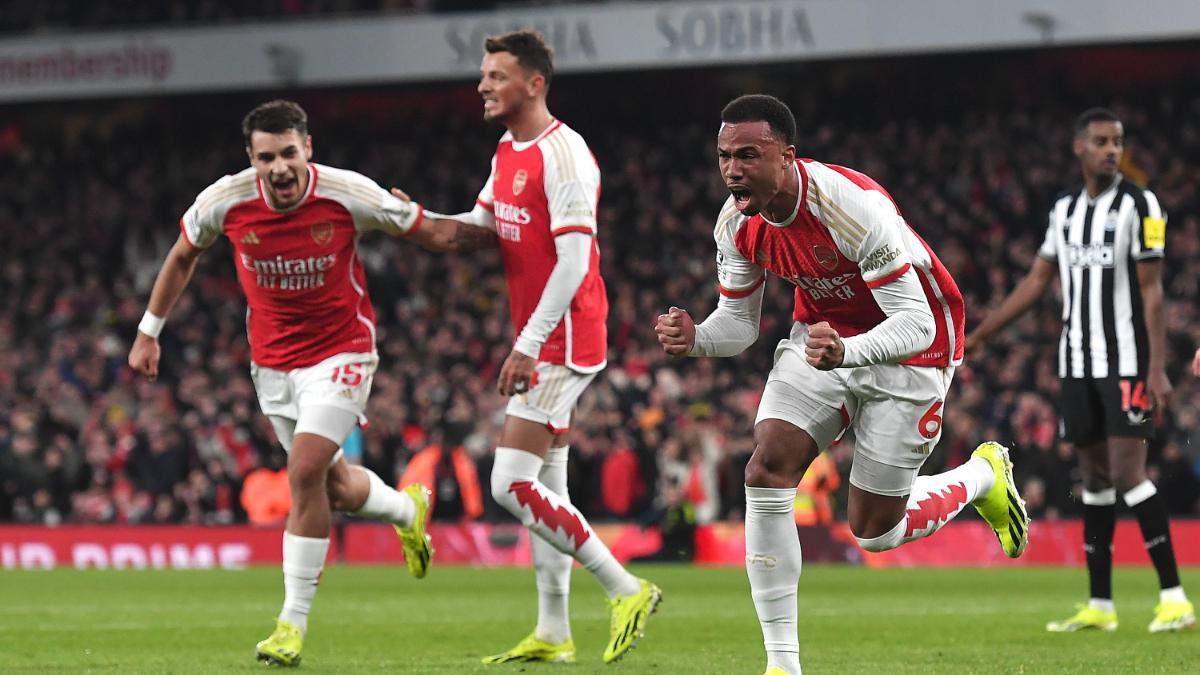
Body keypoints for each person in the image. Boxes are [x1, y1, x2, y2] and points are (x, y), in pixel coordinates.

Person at [654, 94, 1028, 675]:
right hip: (823, 339)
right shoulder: (737, 224)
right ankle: (783, 665)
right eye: (724, 156)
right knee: (765, 468)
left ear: (787, 156)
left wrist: (849, 352)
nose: (732, 169)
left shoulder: (850, 206)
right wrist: (696, 337)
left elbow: (917, 320)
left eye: (748, 155)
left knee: (875, 532)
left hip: (915, 350)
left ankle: (982, 476)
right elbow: (738, 327)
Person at [127, 100, 438, 667]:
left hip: (343, 351)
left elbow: (430, 233)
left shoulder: (347, 193)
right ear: (251, 159)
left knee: (303, 470)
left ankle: (290, 626)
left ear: (307, 149)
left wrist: (496, 227)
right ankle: (405, 511)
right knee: (334, 490)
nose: (279, 167)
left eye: (289, 153)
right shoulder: (225, 201)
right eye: (266, 157)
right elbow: (180, 257)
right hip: (272, 365)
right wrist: (149, 331)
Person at [396, 30, 660, 665]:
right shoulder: (509, 151)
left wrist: (527, 344)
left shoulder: (564, 156)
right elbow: (482, 229)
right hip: (546, 335)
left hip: (564, 339)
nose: (483, 85)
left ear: (534, 84)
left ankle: (627, 587)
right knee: (547, 485)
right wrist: (419, 222)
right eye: (483, 74)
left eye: (496, 75)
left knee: (508, 483)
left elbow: (573, 264)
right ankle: (553, 630)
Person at [966, 107, 1194, 633]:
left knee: (1128, 472)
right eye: (1101, 141)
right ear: (1079, 147)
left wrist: (1157, 368)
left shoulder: (1143, 204)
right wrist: (984, 334)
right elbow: (1037, 281)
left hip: (1127, 361)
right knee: (1092, 479)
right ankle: (1101, 604)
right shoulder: (1064, 210)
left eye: (1117, 141)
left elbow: (1152, 291)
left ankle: (1175, 598)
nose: (1111, 150)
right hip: (1076, 361)